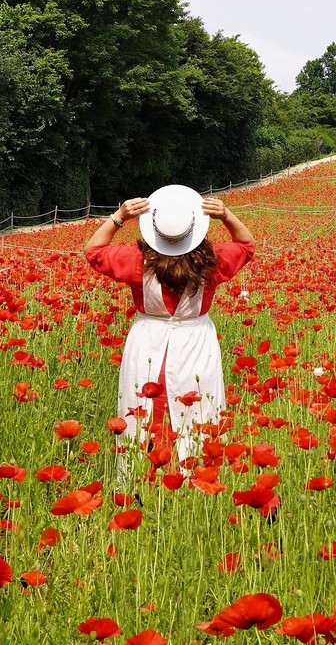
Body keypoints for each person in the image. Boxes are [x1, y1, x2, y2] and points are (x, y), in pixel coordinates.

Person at [85, 185, 255, 459]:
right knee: (195, 412)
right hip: (196, 343)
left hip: (147, 343)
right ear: (195, 227)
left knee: (145, 412)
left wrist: (119, 217)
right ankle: (195, 471)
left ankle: (140, 471)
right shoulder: (213, 261)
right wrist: (225, 215)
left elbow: (93, 251)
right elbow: (247, 246)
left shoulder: (135, 261)